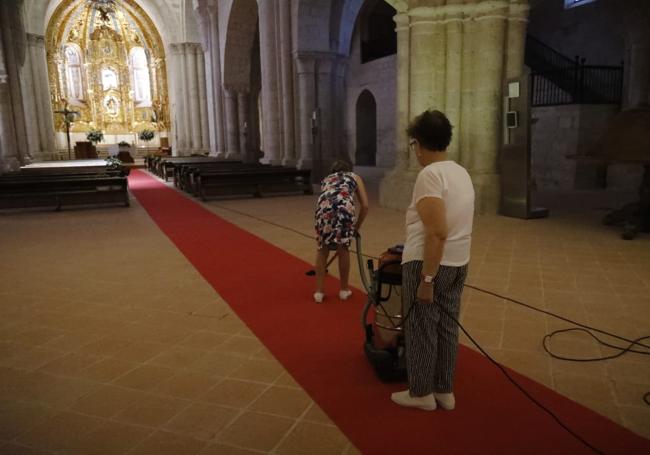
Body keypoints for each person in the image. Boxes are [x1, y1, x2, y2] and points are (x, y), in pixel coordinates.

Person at [391, 110, 475, 411]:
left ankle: (421, 394)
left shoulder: (430, 175)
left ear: (420, 143)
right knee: (447, 326)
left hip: (429, 264)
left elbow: (437, 232)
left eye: (413, 144)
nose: (414, 151)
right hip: (458, 262)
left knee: (422, 327)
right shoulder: (461, 172)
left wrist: (426, 279)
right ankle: (444, 390)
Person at [313, 159, 369, 303]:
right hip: (344, 209)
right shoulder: (354, 177)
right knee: (343, 247)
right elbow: (365, 205)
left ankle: (319, 292)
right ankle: (344, 290)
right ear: (349, 170)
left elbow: (328, 198)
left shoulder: (326, 179)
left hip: (323, 209)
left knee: (322, 248)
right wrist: (356, 227)